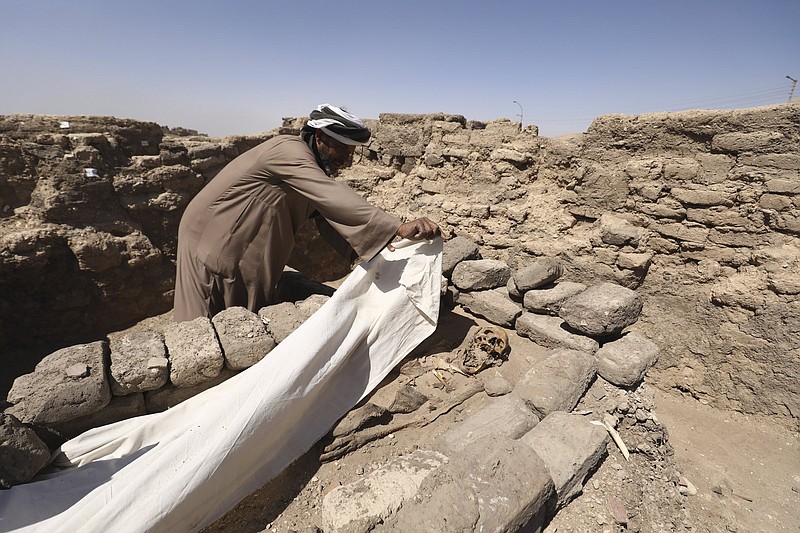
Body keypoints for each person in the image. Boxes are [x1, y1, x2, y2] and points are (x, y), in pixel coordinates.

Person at [173, 103, 441, 322]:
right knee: (205, 315)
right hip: (213, 237)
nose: (346, 160)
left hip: (240, 236)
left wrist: (364, 250)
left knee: (243, 311)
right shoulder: (289, 150)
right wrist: (396, 227)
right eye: (342, 149)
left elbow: (324, 214)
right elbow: (328, 194)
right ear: (320, 137)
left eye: (351, 153)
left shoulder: (309, 165)